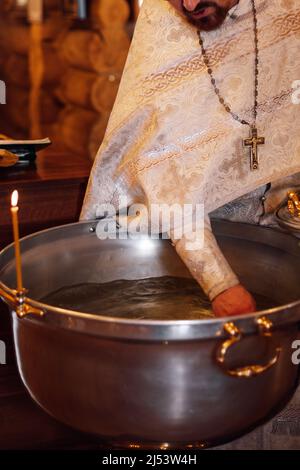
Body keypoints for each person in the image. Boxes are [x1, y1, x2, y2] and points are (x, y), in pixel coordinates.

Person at [80, 0, 300, 317]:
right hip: (180, 242)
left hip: (279, 238)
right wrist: (219, 283)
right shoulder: (163, 18)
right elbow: (164, 168)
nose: (190, 4)